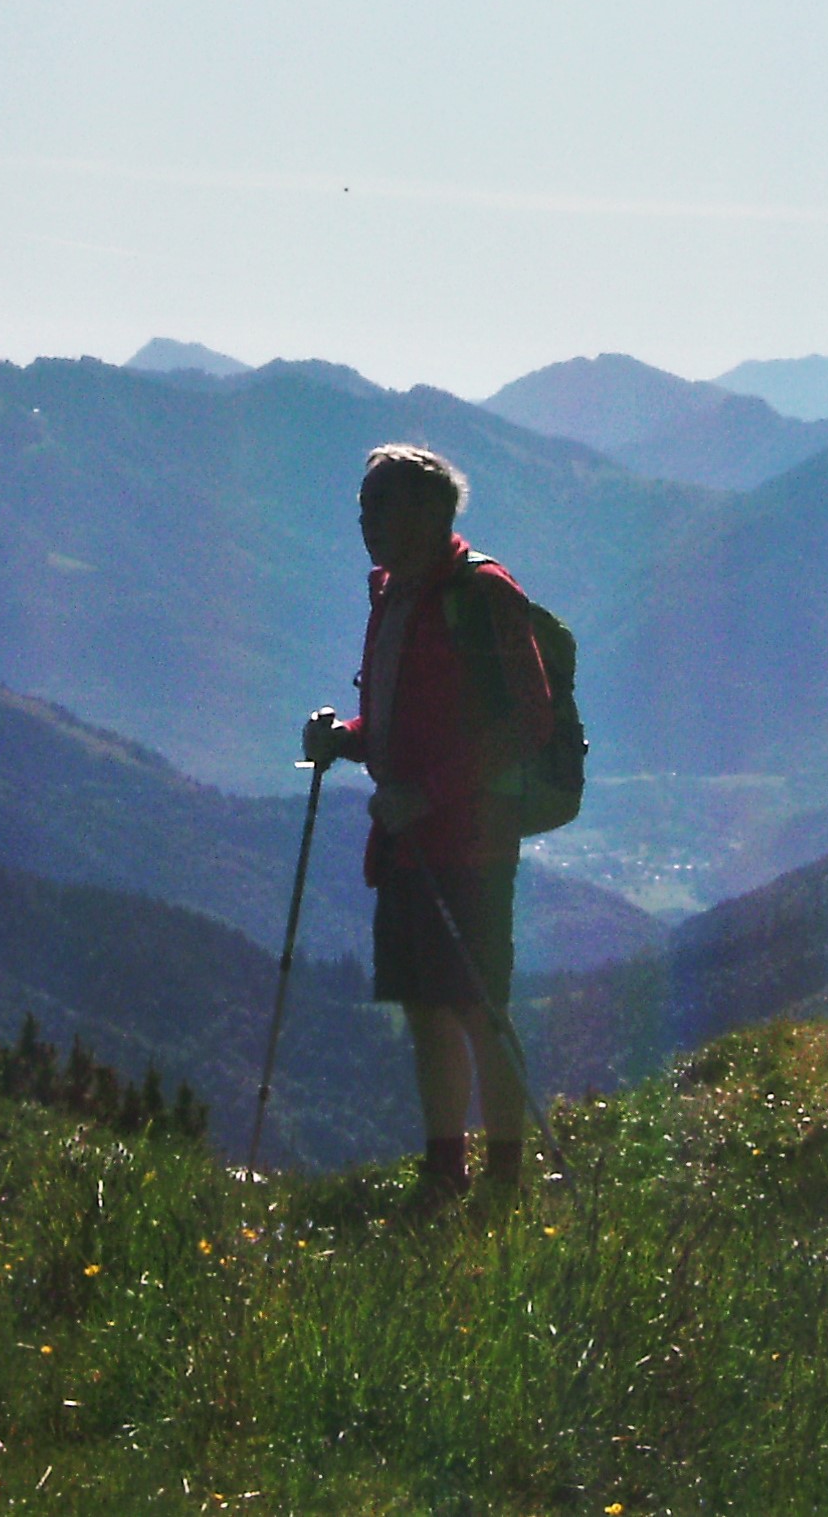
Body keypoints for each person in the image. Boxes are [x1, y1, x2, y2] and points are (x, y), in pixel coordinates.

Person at [302, 443, 553, 1207]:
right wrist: (345, 739)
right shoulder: (395, 595)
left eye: (378, 505)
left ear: (428, 512)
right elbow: (398, 724)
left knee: (475, 1004)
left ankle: (503, 1180)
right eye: (362, 506)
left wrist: (427, 793)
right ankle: (446, 1171)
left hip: (470, 839)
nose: (364, 521)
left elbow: (529, 718)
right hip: (410, 837)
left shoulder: (479, 592)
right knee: (426, 1005)